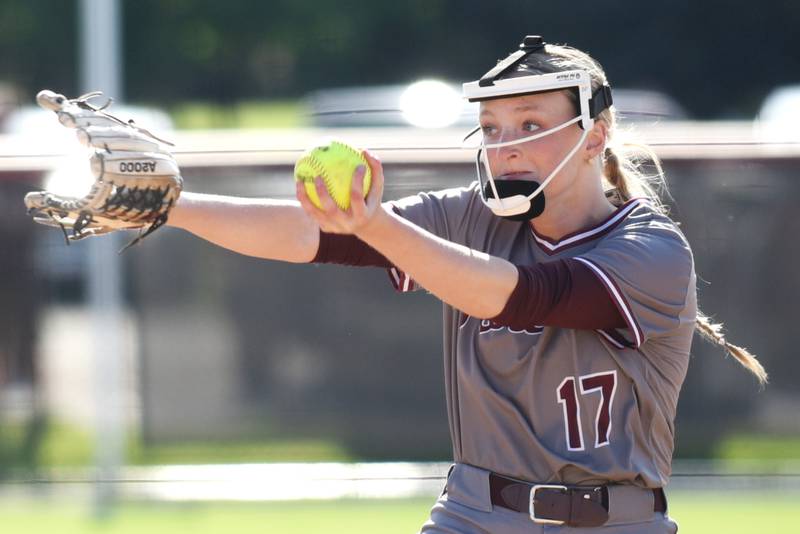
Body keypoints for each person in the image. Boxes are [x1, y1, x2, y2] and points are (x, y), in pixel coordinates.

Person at [166, 36, 767, 533]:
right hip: (472, 515)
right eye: (491, 127)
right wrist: (167, 206)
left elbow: (514, 295)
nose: (505, 147)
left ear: (594, 136)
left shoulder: (650, 248)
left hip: (612, 522)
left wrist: (376, 224)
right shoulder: (471, 217)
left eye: (530, 123)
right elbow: (311, 236)